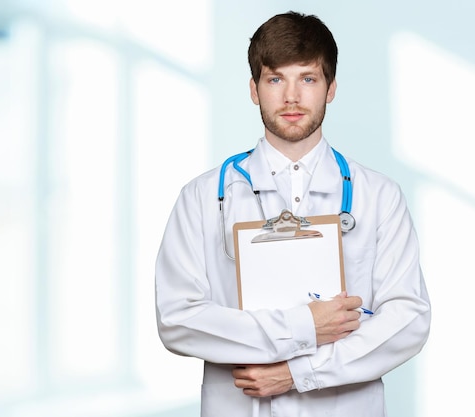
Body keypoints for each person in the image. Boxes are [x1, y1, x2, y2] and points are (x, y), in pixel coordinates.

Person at [155, 10, 431, 417]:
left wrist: (299, 371)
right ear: (254, 89)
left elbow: (407, 320)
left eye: (307, 78)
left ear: (330, 88)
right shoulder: (202, 198)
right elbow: (178, 319)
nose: (291, 97)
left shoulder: (379, 196)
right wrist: (304, 328)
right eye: (275, 79)